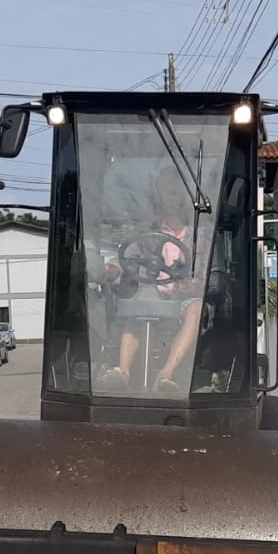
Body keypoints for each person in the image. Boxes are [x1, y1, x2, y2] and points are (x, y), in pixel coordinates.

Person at [97, 169, 206, 395]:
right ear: (159, 196)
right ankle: (123, 373)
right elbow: (128, 263)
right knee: (135, 302)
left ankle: (165, 376)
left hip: (183, 298)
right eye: (166, 191)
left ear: (185, 196)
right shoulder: (146, 233)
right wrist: (112, 270)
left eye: (175, 191)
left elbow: (210, 274)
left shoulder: (201, 235)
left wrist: (195, 284)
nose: (171, 196)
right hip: (150, 293)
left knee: (196, 309)